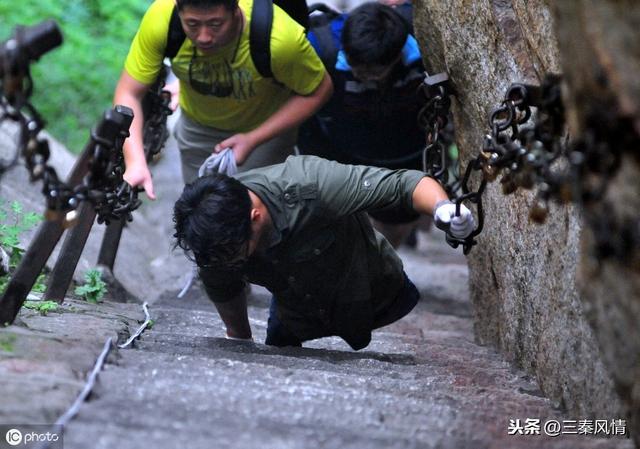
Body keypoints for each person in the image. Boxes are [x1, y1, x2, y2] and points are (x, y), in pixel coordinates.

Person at [173, 156, 475, 350]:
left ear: (255, 218)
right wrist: (239, 338)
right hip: (294, 310)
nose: (227, 263)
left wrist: (443, 209)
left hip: (371, 290)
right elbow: (221, 285)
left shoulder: (311, 184)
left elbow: (402, 185)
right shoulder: (213, 239)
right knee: (278, 346)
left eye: (236, 254)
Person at [114, 0, 333, 199]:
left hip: (265, 132)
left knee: (253, 218)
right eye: (192, 24)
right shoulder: (162, 19)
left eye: (215, 24)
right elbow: (129, 93)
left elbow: (319, 90)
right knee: (200, 212)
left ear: (236, 10)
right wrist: (134, 160)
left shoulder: (279, 40)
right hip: (197, 129)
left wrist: (254, 138)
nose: (204, 37)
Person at [298, 2, 427, 247]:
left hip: (402, 150)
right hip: (335, 146)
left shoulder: (421, 43)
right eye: (355, 66)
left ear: (398, 54)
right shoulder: (319, 45)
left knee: (396, 220)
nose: (361, 76)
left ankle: (384, 258)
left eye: (373, 72)